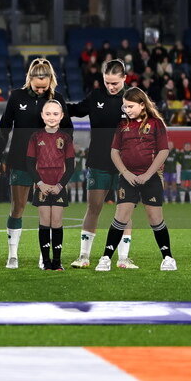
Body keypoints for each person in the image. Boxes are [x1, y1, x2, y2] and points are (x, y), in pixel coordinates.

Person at [0, 58, 72, 269]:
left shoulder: (57, 99)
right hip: (20, 160)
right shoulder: (16, 96)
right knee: (17, 208)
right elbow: (4, 127)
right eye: (37, 86)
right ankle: (12, 255)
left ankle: (44, 256)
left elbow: (68, 129)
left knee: (47, 211)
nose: (40, 90)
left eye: (44, 87)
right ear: (29, 79)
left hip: (49, 165)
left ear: (50, 80)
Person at [95, 87, 176, 272]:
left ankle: (168, 258)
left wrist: (148, 174)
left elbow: (164, 151)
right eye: (125, 107)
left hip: (151, 178)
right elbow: (114, 152)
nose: (127, 110)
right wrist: (125, 173)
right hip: (128, 178)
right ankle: (105, 258)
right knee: (121, 216)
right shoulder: (122, 125)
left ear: (142, 105)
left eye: (130, 106)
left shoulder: (156, 123)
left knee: (155, 219)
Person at [66, 59, 136, 267]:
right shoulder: (96, 96)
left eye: (115, 83)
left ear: (125, 78)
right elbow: (76, 110)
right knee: (94, 207)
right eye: (107, 82)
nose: (111, 87)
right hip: (98, 161)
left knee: (124, 210)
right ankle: (84, 256)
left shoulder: (134, 98)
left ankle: (123, 258)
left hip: (126, 165)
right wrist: (54, 103)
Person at [27, 100, 75, 271]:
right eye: (48, 114)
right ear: (42, 115)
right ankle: (46, 262)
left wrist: (60, 186)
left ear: (61, 116)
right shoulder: (35, 137)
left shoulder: (66, 138)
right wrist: (40, 184)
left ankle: (57, 261)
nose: (51, 117)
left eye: (55, 114)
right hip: (42, 186)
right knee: (45, 221)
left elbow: (71, 167)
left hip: (58, 186)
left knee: (56, 222)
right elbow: (29, 164)